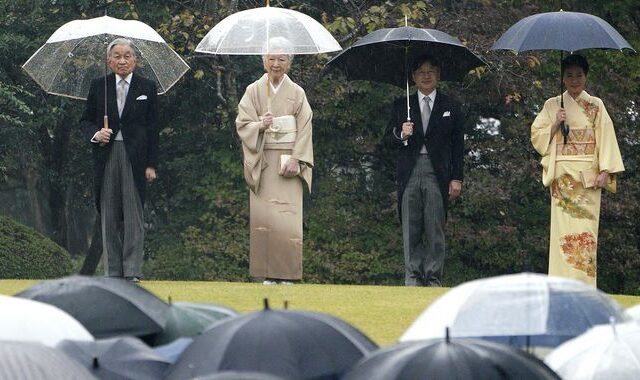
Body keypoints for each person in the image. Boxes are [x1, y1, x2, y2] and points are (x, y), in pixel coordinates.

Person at [531, 54, 624, 286]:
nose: (574, 80)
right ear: (562, 78)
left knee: (586, 232)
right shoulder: (552, 105)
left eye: (579, 75)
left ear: (586, 77)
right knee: (562, 233)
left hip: (587, 178)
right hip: (562, 177)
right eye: (569, 75)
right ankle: (560, 284)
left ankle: (584, 284)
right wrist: (555, 123)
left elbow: (606, 138)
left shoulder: (596, 105)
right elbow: (536, 136)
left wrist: (605, 170)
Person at [235, 38, 313, 285]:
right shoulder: (253, 90)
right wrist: (261, 124)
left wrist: (298, 159)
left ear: (289, 62)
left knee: (288, 219)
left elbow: (305, 128)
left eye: (281, 59)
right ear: (263, 61)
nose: (276, 64)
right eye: (271, 58)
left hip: (289, 160)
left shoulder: (297, 92)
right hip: (264, 160)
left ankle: (287, 274)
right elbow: (242, 124)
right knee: (264, 219)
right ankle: (267, 273)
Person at [80, 38, 159, 282]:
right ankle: (113, 272)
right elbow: (85, 121)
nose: (122, 60)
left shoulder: (147, 87)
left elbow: (153, 128)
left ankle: (132, 271)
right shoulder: (98, 86)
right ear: (109, 61)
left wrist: (151, 164)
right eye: (117, 56)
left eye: (127, 56)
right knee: (109, 214)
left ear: (135, 60)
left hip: (136, 157)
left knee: (134, 214)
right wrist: (97, 134)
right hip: (107, 155)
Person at [385, 54, 464, 286]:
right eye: (421, 72)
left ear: (438, 75)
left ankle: (432, 278)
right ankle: (413, 278)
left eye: (431, 71)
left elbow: (458, 146)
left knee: (434, 226)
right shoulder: (402, 106)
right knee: (411, 226)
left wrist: (456, 177)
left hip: (437, 171)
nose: (426, 76)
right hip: (410, 171)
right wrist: (402, 134)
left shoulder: (452, 106)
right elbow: (387, 141)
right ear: (413, 77)